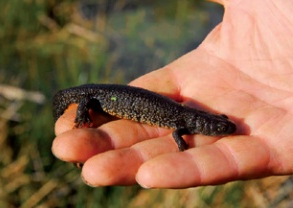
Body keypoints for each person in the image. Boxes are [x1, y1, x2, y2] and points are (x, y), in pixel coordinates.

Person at [52, 0, 293, 188]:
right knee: (84, 113)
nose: (225, 127)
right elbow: (178, 134)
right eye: (220, 126)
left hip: (124, 98)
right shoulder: (184, 123)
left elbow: (181, 133)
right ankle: (80, 118)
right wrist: (82, 116)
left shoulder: (187, 121)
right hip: (100, 97)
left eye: (221, 125)